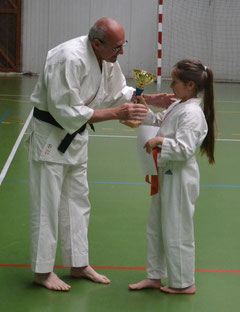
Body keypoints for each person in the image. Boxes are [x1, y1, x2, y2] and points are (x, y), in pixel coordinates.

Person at [28, 17, 151, 292]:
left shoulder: (106, 58)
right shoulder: (67, 58)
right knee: (47, 206)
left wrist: (150, 98)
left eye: (123, 46)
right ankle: (42, 271)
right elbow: (65, 110)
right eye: (117, 47)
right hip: (51, 137)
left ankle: (79, 263)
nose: (121, 52)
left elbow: (117, 92)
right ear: (97, 43)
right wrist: (115, 114)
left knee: (78, 203)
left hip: (76, 140)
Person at [128, 59, 215, 294]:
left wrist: (160, 141)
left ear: (190, 86)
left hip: (179, 177)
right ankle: (155, 276)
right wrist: (143, 109)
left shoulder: (193, 113)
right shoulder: (179, 106)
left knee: (177, 229)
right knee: (156, 227)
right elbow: (159, 122)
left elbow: (185, 148)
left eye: (175, 82)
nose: (171, 85)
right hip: (165, 174)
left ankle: (184, 282)